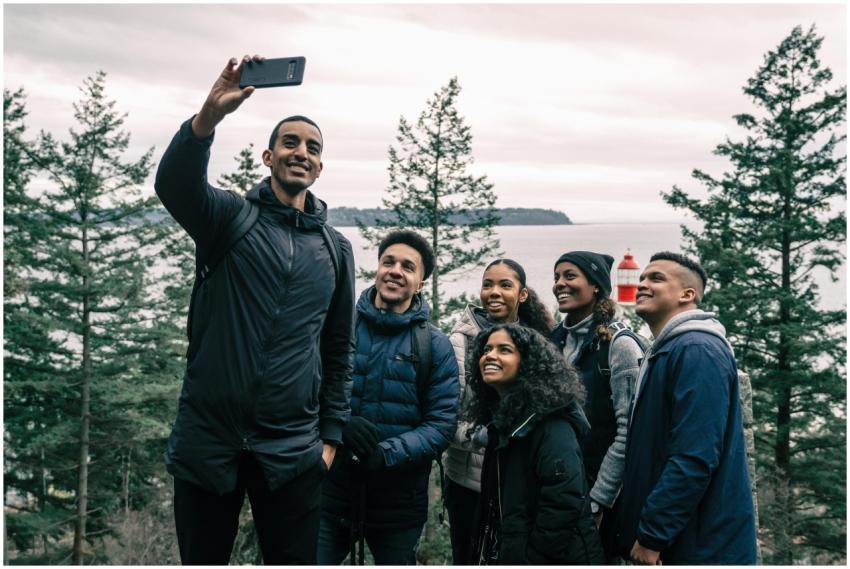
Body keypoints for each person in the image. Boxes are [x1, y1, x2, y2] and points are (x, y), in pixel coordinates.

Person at [155, 55, 355, 565]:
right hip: (209, 439)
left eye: (313, 148)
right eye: (290, 142)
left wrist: (328, 439)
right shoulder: (228, 218)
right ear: (268, 157)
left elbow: (338, 346)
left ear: (320, 167)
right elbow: (174, 185)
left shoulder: (335, 249)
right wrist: (208, 118)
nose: (301, 152)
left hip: (293, 448)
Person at [318, 230, 459, 565]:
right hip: (329, 491)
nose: (396, 270)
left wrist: (387, 454)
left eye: (408, 267)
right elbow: (305, 391)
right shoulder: (337, 326)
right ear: (377, 270)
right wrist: (339, 425)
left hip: (398, 503)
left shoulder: (434, 346)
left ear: (421, 283)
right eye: (389, 262)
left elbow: (441, 425)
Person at [617, 252, 757, 565]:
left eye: (656, 278)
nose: (641, 284)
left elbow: (695, 455)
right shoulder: (668, 350)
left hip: (698, 546)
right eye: (641, 278)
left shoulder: (697, 350)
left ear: (687, 294)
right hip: (681, 540)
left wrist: (653, 535)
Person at [466, 323, 605, 565]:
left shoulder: (551, 423)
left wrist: (532, 558)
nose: (490, 355)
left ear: (528, 363)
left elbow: (563, 503)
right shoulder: (502, 422)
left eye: (504, 350)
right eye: (487, 349)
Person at [444, 259, 553, 564]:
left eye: (505, 285)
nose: (494, 292)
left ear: (522, 294)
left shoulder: (536, 343)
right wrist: (488, 436)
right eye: (487, 284)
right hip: (469, 481)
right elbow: (446, 417)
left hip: (519, 480)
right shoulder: (460, 342)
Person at [549, 251, 645, 561]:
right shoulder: (553, 341)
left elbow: (627, 432)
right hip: (556, 492)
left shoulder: (619, 346)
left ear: (596, 287)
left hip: (597, 501)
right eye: (556, 277)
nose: (559, 284)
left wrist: (597, 501)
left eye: (570, 276)